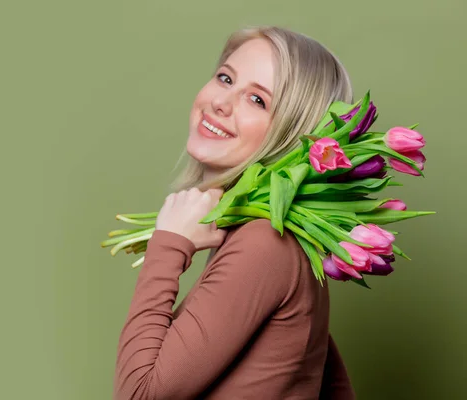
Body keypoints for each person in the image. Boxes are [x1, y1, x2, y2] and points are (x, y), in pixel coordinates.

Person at [113, 25, 356, 400]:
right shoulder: (264, 237)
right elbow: (318, 364)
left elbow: (138, 395)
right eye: (225, 78)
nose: (221, 103)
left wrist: (169, 245)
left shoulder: (265, 243)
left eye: (257, 100)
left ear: (291, 136)